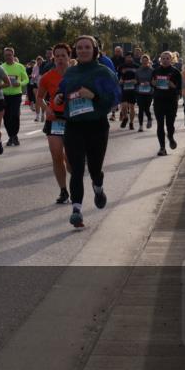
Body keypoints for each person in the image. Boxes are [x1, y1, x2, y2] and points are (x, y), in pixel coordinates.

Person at [53, 35, 119, 228]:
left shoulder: (104, 72)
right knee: (76, 170)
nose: (83, 50)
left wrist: (94, 95)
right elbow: (62, 90)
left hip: (97, 126)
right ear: (76, 51)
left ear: (94, 50)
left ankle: (98, 187)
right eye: (79, 48)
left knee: (95, 169)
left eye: (87, 47)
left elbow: (114, 99)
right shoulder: (71, 72)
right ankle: (76, 210)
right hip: (74, 126)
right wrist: (58, 97)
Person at [36, 43, 71, 204]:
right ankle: (63, 190)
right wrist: (46, 108)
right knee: (56, 156)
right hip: (55, 119)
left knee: (70, 161)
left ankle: (75, 181)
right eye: (57, 56)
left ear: (69, 57)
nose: (60, 59)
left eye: (63, 55)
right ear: (53, 58)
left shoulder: (75, 75)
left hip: (73, 118)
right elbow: (39, 97)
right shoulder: (47, 76)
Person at [151, 51, 183, 156]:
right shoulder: (155, 71)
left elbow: (180, 88)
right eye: (163, 58)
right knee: (160, 125)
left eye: (167, 58)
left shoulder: (175, 72)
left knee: (170, 125)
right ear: (160, 59)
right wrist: (153, 83)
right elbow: (152, 84)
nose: (165, 60)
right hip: (158, 100)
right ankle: (162, 148)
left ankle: (170, 137)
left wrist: (173, 85)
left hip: (171, 101)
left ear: (171, 59)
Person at [0, 47, 28, 146]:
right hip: (4, 95)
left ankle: (13, 136)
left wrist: (19, 83)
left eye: (9, 55)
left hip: (16, 95)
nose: (8, 57)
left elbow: (26, 80)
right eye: (6, 55)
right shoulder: (1, 67)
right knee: (6, 117)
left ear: (13, 55)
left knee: (15, 116)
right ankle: (11, 136)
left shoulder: (20, 66)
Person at [117, 53, 138, 130]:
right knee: (124, 105)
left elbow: (138, 78)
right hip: (124, 88)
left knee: (132, 107)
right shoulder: (121, 67)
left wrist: (136, 81)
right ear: (125, 58)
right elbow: (118, 76)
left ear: (132, 58)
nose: (129, 59)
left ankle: (131, 123)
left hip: (132, 89)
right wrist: (120, 80)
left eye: (130, 57)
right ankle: (125, 117)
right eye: (127, 57)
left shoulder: (137, 66)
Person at [135, 54, 155, 132]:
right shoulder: (138, 70)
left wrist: (149, 83)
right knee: (140, 109)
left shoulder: (152, 70)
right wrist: (138, 83)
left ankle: (149, 119)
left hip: (149, 92)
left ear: (148, 61)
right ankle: (140, 126)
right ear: (141, 61)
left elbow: (154, 81)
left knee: (146, 108)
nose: (144, 62)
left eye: (146, 61)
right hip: (140, 91)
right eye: (143, 61)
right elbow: (136, 81)